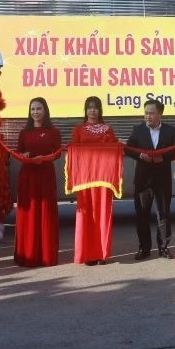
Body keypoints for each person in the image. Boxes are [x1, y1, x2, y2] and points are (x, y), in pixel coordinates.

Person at [126, 99, 175, 260]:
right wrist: (139, 155)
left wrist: (162, 158)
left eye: (151, 113)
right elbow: (128, 149)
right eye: (146, 113)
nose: (148, 116)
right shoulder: (138, 130)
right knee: (142, 215)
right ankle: (144, 248)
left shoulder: (170, 131)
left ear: (159, 114)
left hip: (162, 179)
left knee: (163, 214)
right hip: (143, 180)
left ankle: (163, 247)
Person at [71, 96, 118, 265]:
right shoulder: (78, 129)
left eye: (96, 107)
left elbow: (114, 150)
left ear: (100, 110)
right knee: (86, 215)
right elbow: (73, 153)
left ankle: (102, 253)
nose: (92, 111)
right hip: (85, 180)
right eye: (89, 107)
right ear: (85, 110)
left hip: (103, 180)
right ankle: (87, 254)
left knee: (103, 214)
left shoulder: (108, 129)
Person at [15, 97, 62, 267]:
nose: (35, 112)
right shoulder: (24, 132)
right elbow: (19, 152)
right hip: (28, 175)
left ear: (45, 111)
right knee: (28, 214)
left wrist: (46, 158)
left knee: (46, 212)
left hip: (46, 175)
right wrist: (24, 155)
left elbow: (58, 153)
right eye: (33, 109)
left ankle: (46, 255)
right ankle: (27, 254)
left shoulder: (53, 132)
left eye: (39, 109)